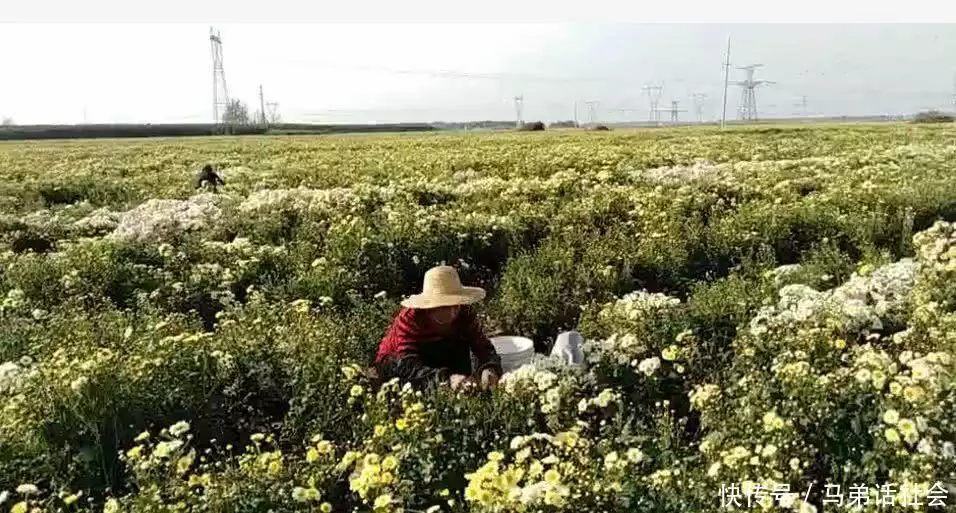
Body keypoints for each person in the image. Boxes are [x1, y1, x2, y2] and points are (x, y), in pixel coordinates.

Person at [374, 266, 503, 392]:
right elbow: (408, 363)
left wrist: (489, 367)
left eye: (455, 305)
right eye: (444, 306)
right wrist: (444, 379)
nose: (452, 312)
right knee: (411, 381)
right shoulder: (411, 317)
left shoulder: (464, 314)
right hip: (401, 361)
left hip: (440, 349)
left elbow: (482, 345)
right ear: (430, 306)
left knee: (462, 357)